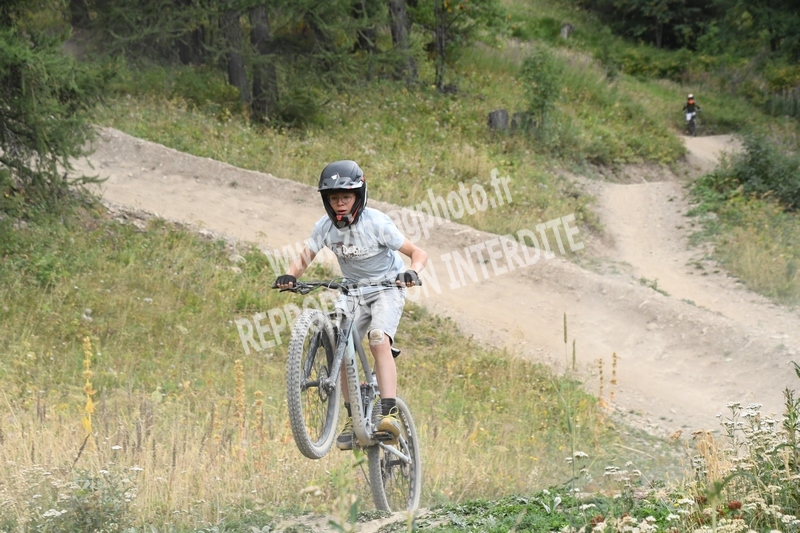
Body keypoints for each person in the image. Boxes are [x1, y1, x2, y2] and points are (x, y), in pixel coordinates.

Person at [275, 160, 428, 450]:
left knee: (378, 339)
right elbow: (305, 257)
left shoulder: (377, 223)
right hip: (353, 291)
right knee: (339, 346)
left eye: (346, 197)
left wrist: (412, 272)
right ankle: (352, 417)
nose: (340, 204)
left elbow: (418, 253)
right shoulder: (325, 227)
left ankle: (389, 413)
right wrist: (290, 276)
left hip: (387, 288)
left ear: (358, 196)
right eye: (334, 198)